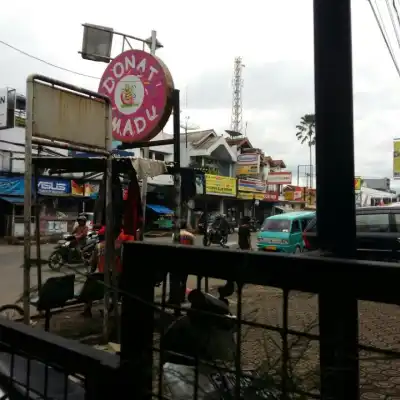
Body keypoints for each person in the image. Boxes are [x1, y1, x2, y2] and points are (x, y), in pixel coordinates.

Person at [169, 221, 195, 313]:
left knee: (175, 281)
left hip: (176, 261)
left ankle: (174, 300)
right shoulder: (191, 236)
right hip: (186, 261)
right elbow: (192, 248)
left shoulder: (176, 235)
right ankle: (182, 298)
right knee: (184, 280)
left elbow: (174, 247)